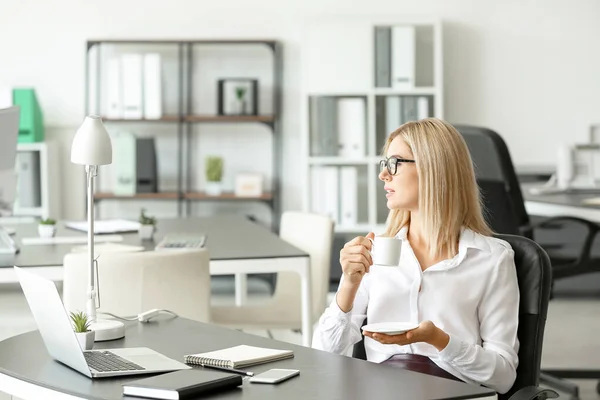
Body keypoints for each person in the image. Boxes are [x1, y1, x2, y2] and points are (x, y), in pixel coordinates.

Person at [312, 118, 519, 395]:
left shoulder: (491, 259)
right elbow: (322, 355)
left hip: (454, 392)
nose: (383, 175)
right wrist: (349, 284)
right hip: (381, 390)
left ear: (433, 168)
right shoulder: (373, 251)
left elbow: (503, 377)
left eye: (394, 163)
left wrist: (440, 341)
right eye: (384, 165)